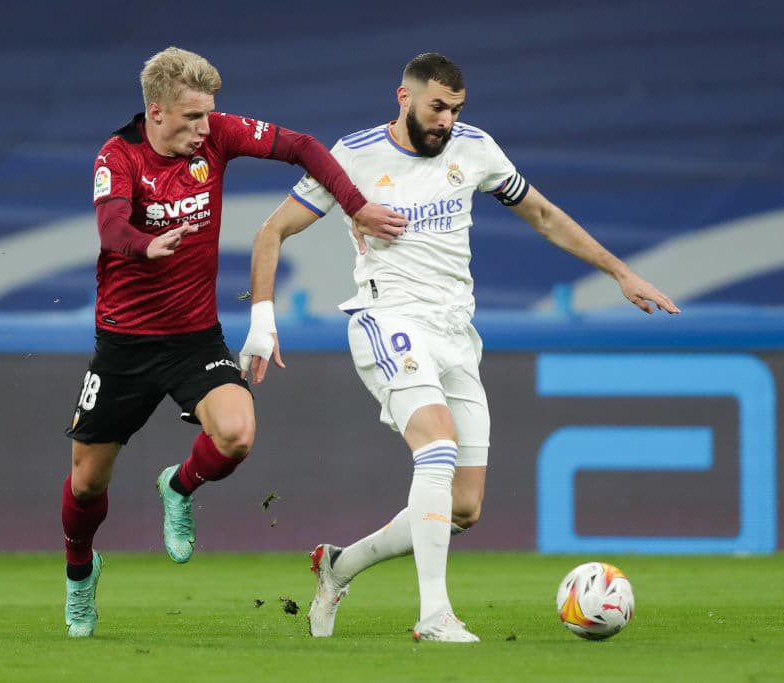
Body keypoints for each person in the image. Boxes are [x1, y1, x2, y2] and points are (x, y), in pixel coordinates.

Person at [238, 53, 680, 643]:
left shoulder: (475, 148)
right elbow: (273, 230)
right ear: (404, 98)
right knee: (437, 447)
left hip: (455, 336)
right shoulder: (355, 155)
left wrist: (620, 272)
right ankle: (434, 615)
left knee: (464, 508)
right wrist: (262, 322)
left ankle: (339, 566)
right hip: (385, 318)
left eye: (456, 109)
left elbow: (544, 215)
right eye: (437, 107)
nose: (447, 120)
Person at [60, 46, 407, 638]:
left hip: (195, 337)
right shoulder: (118, 156)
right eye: (192, 117)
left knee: (238, 433)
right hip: (124, 344)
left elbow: (299, 146)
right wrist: (148, 245)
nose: (205, 127)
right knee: (88, 482)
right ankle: (80, 577)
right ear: (156, 111)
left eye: (208, 115)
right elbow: (111, 227)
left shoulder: (217, 135)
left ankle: (177, 485)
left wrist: (357, 206)